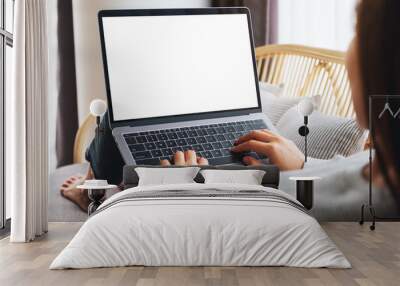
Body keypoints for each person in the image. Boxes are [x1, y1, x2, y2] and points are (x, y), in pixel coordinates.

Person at [61, 0, 400, 215]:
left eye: (357, 31)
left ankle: (94, 196)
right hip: (282, 167)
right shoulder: (381, 166)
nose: (351, 48)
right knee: (117, 119)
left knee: (111, 120)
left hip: (208, 192)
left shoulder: (372, 204)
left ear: (383, 62)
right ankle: (96, 173)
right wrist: (302, 164)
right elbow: (344, 176)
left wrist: (182, 190)